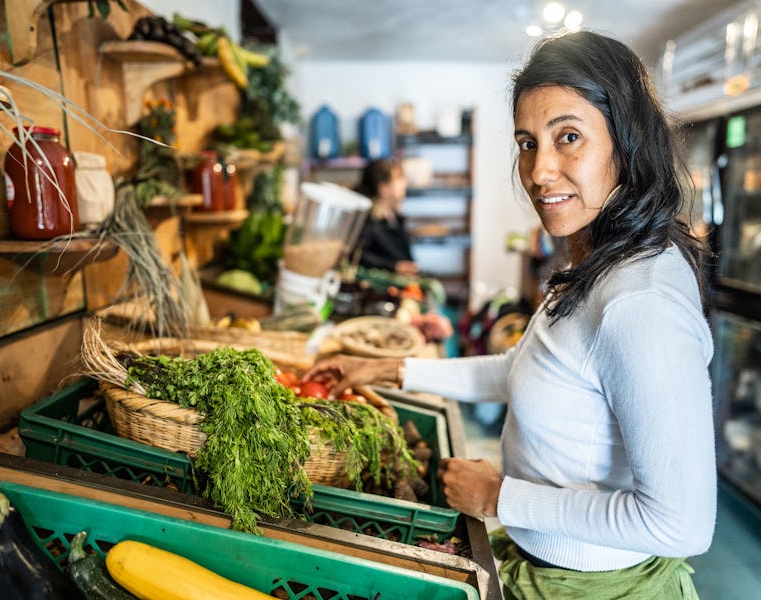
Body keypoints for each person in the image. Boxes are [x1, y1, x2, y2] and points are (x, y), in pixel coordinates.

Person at [303, 30, 716, 599]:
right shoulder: (601, 258)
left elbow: (681, 523)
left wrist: (501, 497)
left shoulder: (641, 301)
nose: (539, 171)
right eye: (527, 143)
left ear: (627, 141)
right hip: (545, 565)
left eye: (568, 136)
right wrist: (390, 371)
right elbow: (528, 368)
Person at [352, 157, 419, 276]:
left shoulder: (394, 217)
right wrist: (394, 267)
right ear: (384, 189)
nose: (404, 182)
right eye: (398, 179)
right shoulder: (368, 222)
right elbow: (360, 256)